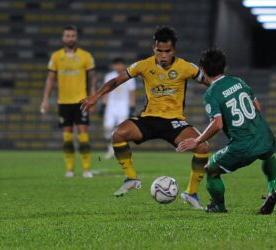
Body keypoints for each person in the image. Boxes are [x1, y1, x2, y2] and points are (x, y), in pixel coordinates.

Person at [80, 26, 209, 209]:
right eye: (159, 51)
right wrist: (96, 96)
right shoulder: (144, 65)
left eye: (167, 51)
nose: (163, 55)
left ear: (174, 50)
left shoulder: (187, 67)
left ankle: (191, 193)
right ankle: (131, 178)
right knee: (118, 134)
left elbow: (211, 83)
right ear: (153, 49)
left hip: (174, 121)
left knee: (202, 147)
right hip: (149, 118)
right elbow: (117, 80)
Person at [176, 49, 276, 214]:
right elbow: (258, 107)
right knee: (267, 154)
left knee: (211, 169)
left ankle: (219, 206)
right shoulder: (238, 81)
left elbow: (217, 124)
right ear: (224, 67)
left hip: (243, 144)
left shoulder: (211, 93)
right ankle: (272, 189)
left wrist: (197, 140)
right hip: (264, 135)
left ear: (202, 70)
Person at [40, 25, 96, 178]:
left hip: (81, 101)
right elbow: (50, 79)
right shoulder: (56, 56)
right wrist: (45, 99)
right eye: (67, 35)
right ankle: (70, 170)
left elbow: (92, 79)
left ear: (76, 37)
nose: (70, 38)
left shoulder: (86, 56)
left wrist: (92, 97)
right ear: (63, 38)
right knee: (67, 137)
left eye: (72, 35)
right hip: (63, 102)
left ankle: (86, 169)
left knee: (83, 135)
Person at [101, 58, 136, 160]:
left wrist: (132, 107)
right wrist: (103, 105)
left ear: (123, 65)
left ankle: (122, 151)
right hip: (111, 106)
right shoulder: (108, 76)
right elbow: (105, 90)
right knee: (107, 127)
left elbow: (132, 93)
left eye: (120, 64)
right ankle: (110, 150)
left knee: (122, 130)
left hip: (123, 106)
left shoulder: (130, 76)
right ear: (113, 66)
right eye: (116, 64)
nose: (118, 66)